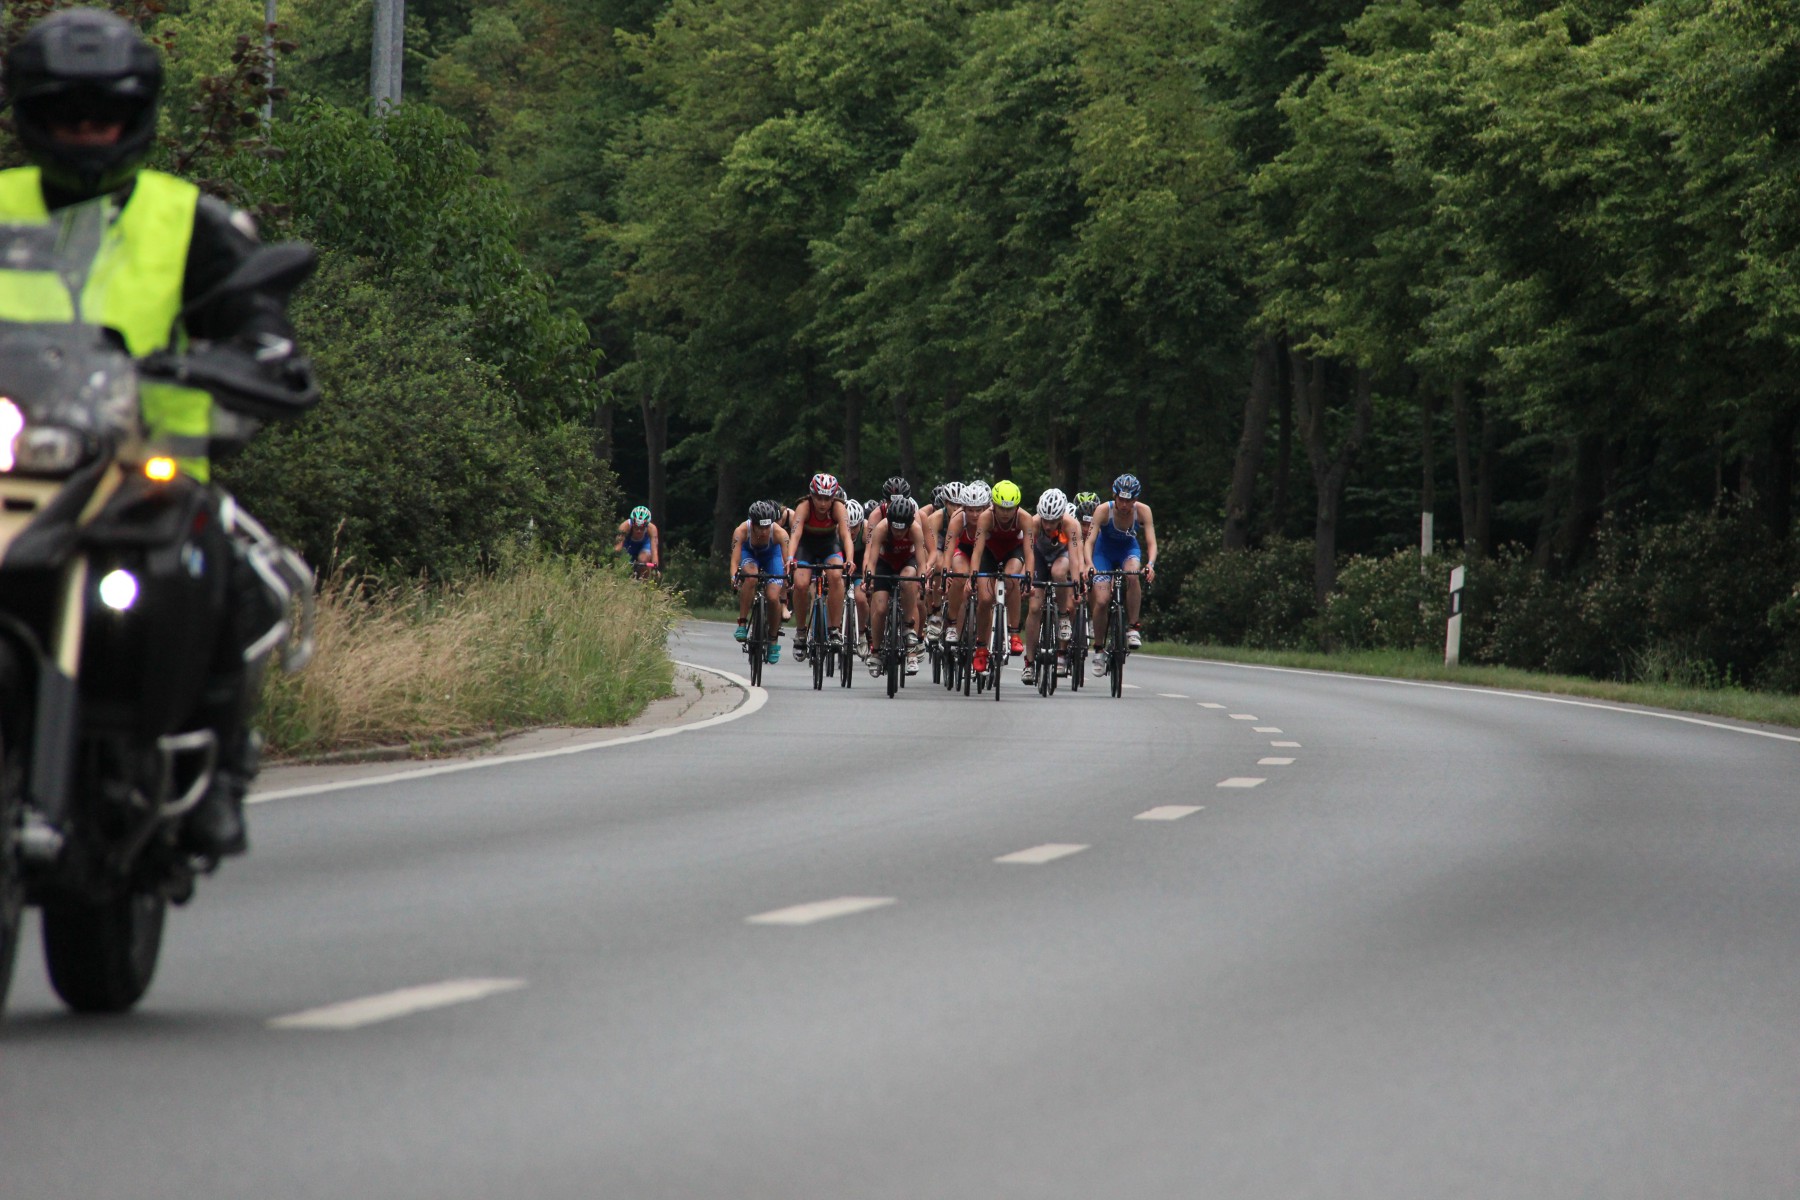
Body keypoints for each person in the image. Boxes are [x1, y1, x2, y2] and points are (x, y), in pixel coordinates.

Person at [0, 8, 318, 857]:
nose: (86, 129)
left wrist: (259, 355)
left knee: (227, 569)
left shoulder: (188, 221)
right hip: (15, 464)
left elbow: (257, 318)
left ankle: (220, 766)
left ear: (136, 115)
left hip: (142, 469)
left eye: (103, 113)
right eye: (67, 112)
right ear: (31, 112)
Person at [1085, 473, 1158, 674]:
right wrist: (1089, 564)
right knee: (1101, 601)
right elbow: (1089, 542)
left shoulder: (1143, 511)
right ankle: (1099, 648)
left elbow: (1151, 542)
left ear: (1136, 499)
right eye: (1121, 499)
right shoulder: (1103, 510)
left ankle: (1133, 627)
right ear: (1115, 496)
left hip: (1128, 550)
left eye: (1129, 500)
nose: (1125, 505)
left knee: (1133, 574)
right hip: (1103, 553)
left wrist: (1150, 564)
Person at [965, 479, 1033, 675]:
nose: (1005, 513)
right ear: (993, 505)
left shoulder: (1025, 518)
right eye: (1001, 508)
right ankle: (981, 648)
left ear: (1017, 507)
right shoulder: (986, 517)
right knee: (985, 599)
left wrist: (1028, 577)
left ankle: (1014, 633)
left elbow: (1029, 552)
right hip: (990, 553)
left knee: (1012, 578)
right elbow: (977, 551)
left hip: (1013, 552)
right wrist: (972, 576)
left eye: (1010, 509)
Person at [1020, 488, 1085, 685]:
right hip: (1038, 557)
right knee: (1034, 608)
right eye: (1045, 520)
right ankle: (1029, 662)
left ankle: (1063, 615)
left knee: (1059, 573)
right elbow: (1028, 555)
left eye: (1053, 521)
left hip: (1061, 556)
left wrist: (1077, 586)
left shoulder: (1071, 525)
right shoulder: (1033, 523)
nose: (1048, 526)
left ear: (1061, 517)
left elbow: (1075, 559)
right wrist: (1026, 580)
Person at [786, 472, 853, 657]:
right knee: (800, 584)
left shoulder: (838, 508)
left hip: (829, 545)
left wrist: (849, 559)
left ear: (833, 497)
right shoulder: (803, 507)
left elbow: (846, 536)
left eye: (827, 498)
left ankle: (834, 629)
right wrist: (790, 557)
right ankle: (801, 631)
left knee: (836, 576)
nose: (823, 503)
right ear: (811, 495)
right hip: (806, 546)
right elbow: (795, 535)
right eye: (818, 498)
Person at [862, 494, 930, 676]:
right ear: (889, 522)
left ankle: (908, 627)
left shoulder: (915, 529)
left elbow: (921, 562)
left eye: (902, 529)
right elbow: (872, 560)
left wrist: (923, 580)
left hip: (907, 562)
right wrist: (868, 579)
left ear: (909, 524)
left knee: (908, 579)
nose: (898, 533)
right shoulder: (881, 528)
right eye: (895, 528)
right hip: (885, 563)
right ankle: (876, 652)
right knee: (880, 609)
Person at [729, 500, 788, 661]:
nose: (764, 531)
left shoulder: (780, 533)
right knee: (751, 577)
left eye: (767, 527)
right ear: (752, 524)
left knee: (773, 597)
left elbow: (787, 561)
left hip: (772, 557)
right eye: (760, 527)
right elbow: (734, 561)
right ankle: (742, 623)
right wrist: (734, 578)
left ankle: (773, 639)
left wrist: (788, 578)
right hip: (749, 555)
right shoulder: (741, 531)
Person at [940, 480, 989, 649]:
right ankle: (952, 622)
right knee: (960, 577)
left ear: (985, 508)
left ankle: (985, 637)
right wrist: (946, 572)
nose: (974, 515)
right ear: (964, 508)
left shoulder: (991, 518)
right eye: (970, 510)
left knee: (986, 594)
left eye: (978, 510)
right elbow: (948, 549)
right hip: (962, 551)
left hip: (983, 554)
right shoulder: (957, 518)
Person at [614, 505, 659, 577]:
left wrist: (655, 569)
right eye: (636, 527)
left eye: (642, 528)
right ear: (632, 524)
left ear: (646, 525)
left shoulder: (652, 529)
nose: (639, 531)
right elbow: (617, 548)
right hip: (628, 545)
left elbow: (654, 552)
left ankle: (644, 582)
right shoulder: (625, 526)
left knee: (643, 560)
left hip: (644, 545)